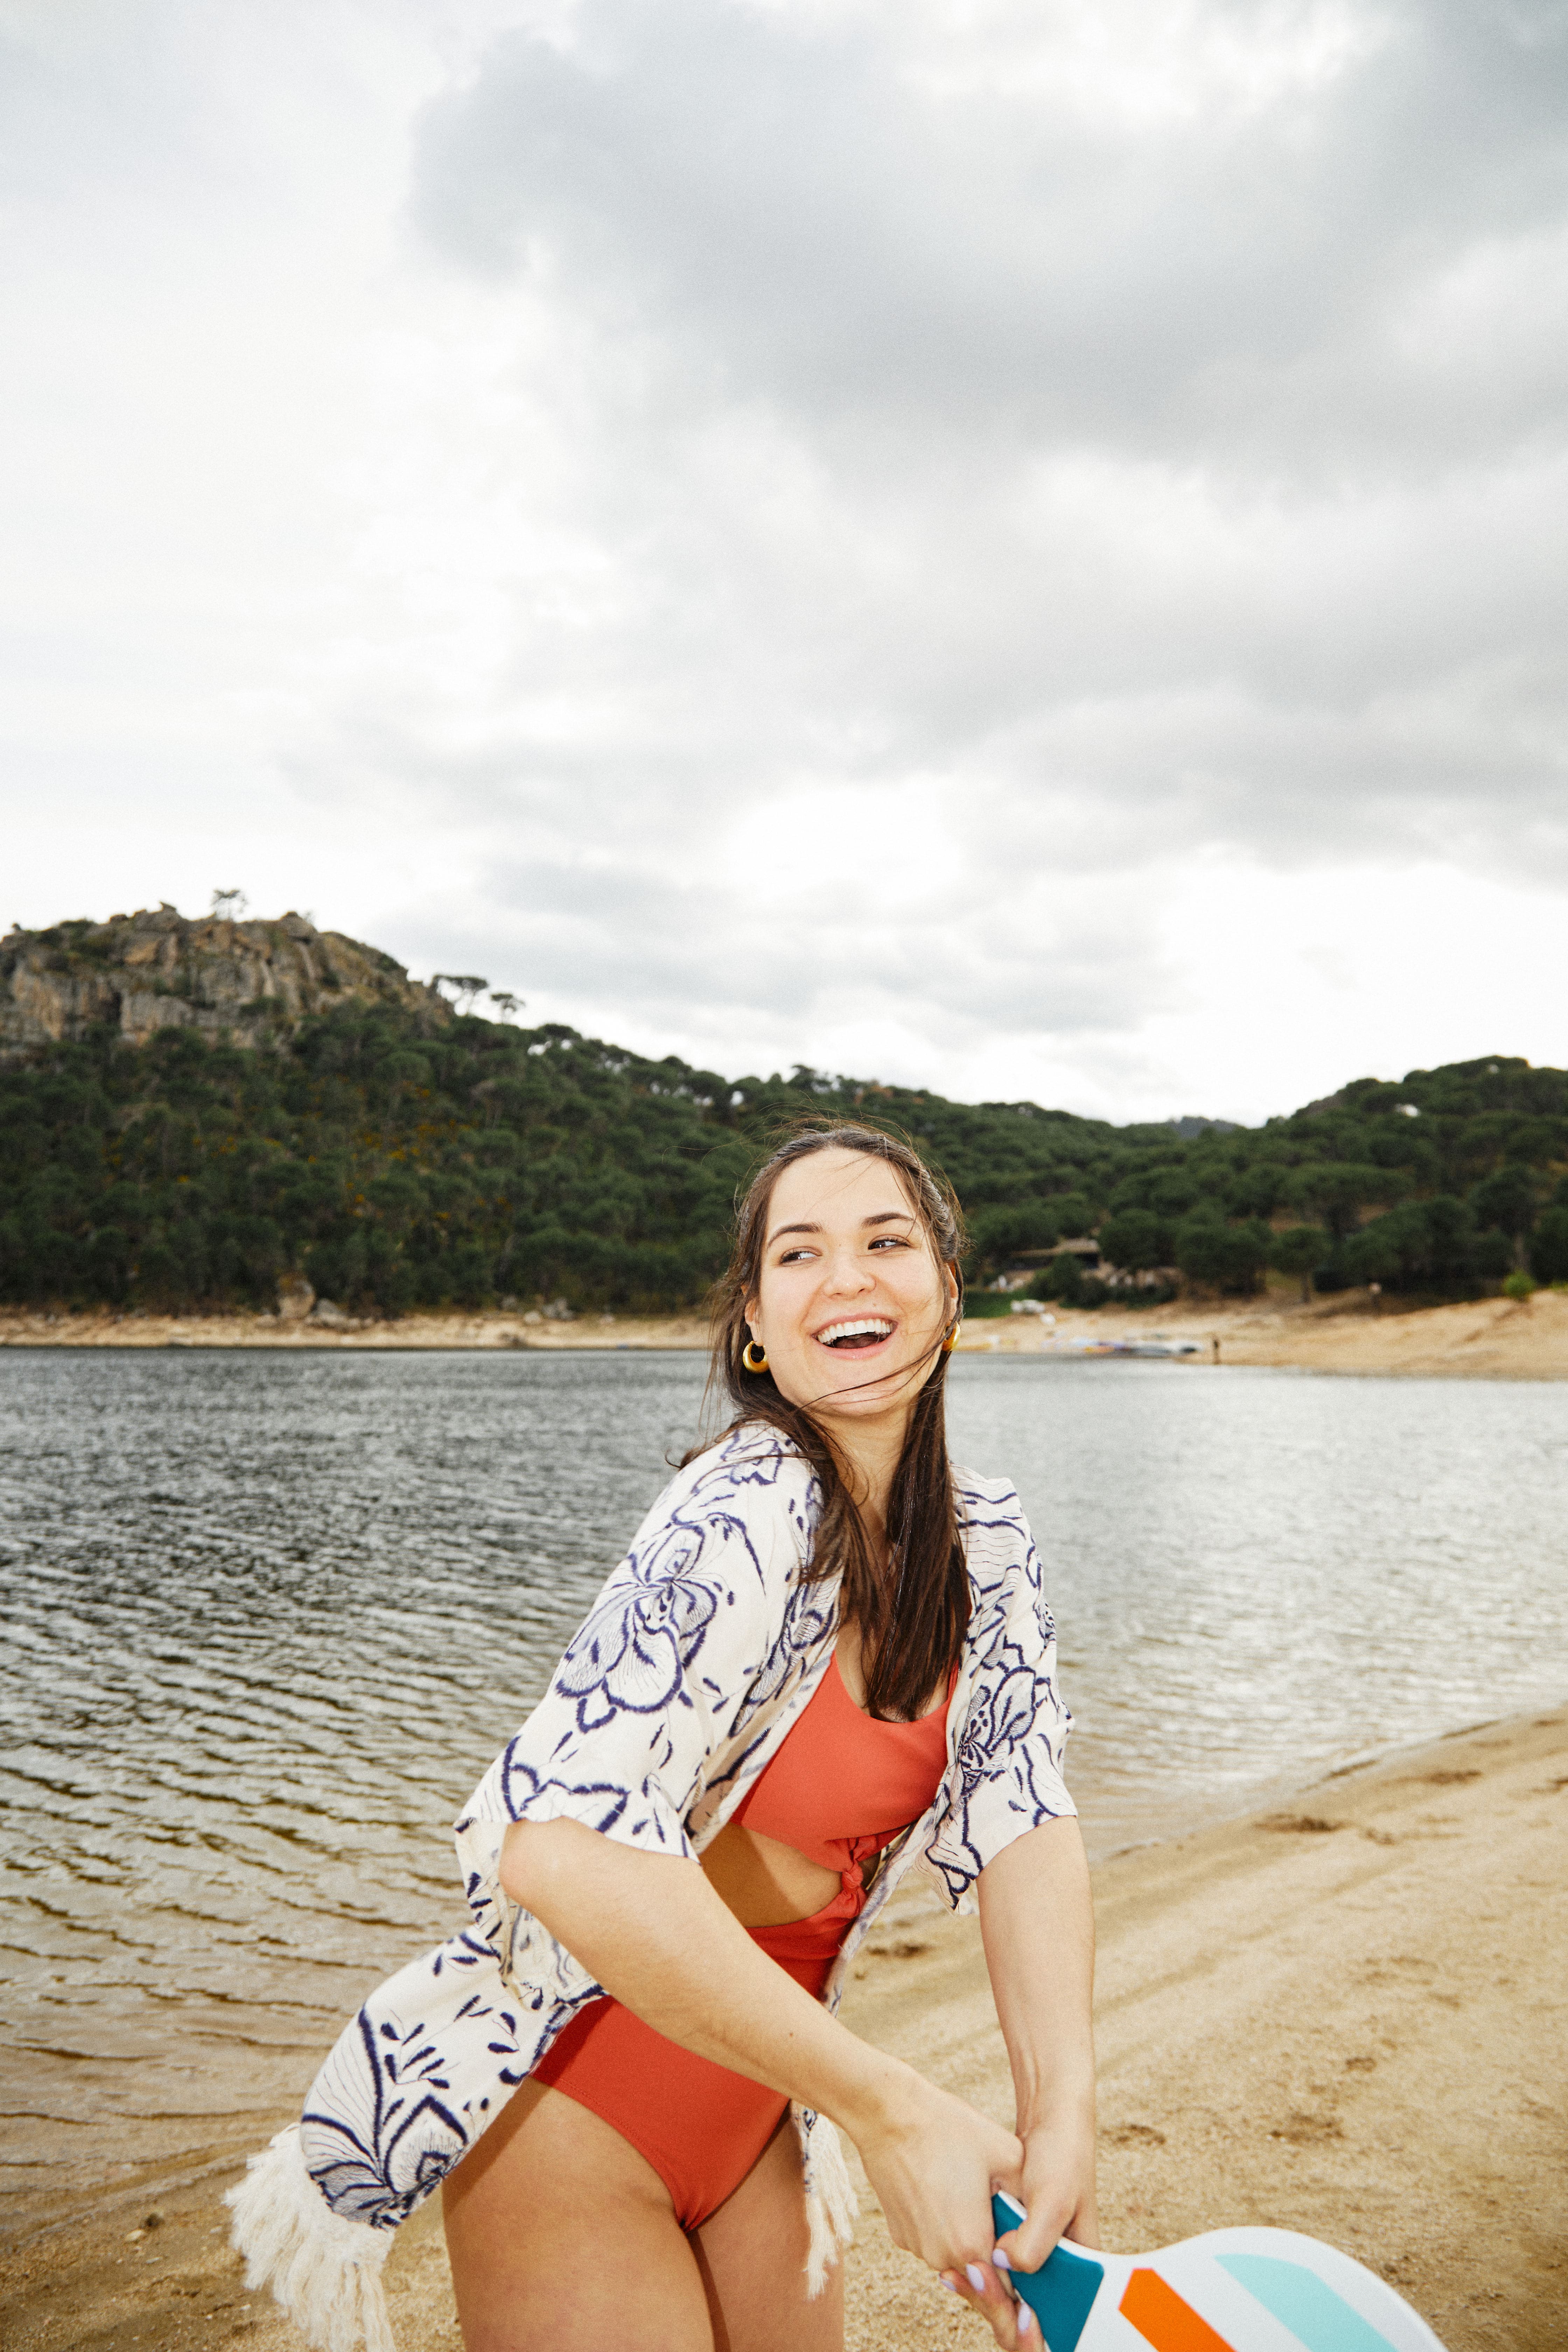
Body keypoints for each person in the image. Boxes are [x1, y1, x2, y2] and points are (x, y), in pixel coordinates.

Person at [229, 1126, 1097, 2352]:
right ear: (758, 1321)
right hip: (579, 2100)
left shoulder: (986, 1543)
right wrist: (894, 2113)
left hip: (765, 2116)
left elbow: (1026, 1816)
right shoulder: (740, 1508)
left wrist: (1062, 2114)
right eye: (800, 1254)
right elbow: (557, 1848)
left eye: (886, 1241)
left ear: (949, 1290)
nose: (847, 1277)